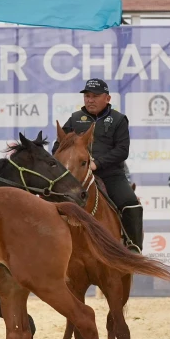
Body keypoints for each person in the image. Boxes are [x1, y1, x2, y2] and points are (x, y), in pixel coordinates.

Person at [54, 78, 142, 252]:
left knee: (131, 204)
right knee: (48, 203)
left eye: (95, 96)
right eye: (87, 96)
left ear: (107, 99)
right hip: (77, 175)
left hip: (111, 175)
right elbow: (59, 145)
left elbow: (122, 150)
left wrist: (97, 164)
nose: (90, 100)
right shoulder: (75, 119)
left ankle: (133, 247)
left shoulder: (118, 119)